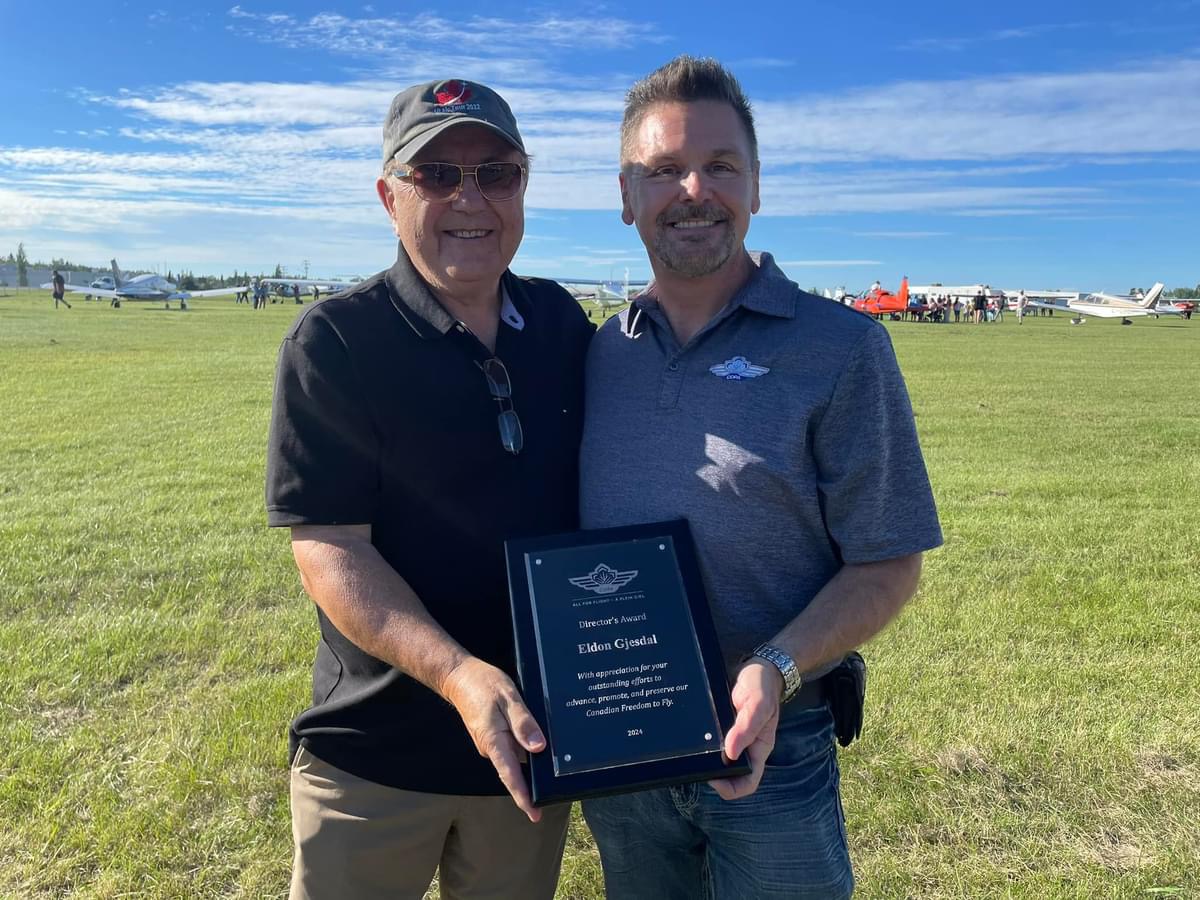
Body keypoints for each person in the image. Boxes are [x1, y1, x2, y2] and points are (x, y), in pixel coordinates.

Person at [578, 56, 943, 900]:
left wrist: (776, 667)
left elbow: (889, 562)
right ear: (627, 193)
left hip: (777, 748)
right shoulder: (600, 350)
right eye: (664, 169)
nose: (694, 189)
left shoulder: (843, 349)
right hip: (621, 744)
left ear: (756, 187)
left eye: (721, 167)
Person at [266, 78, 593, 899]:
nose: (468, 199)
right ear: (389, 195)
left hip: (527, 755)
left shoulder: (562, 326)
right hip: (377, 755)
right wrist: (457, 675)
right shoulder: (336, 341)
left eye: (496, 173)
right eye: (436, 174)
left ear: (524, 188)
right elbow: (329, 549)